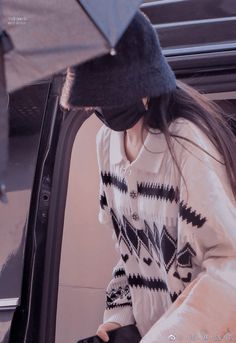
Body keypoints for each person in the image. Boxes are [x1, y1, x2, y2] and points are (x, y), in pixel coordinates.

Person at [60, 11, 236, 343]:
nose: (94, 109)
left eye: (102, 96)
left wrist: (165, 337)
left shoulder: (186, 145)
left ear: (143, 88)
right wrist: (120, 321)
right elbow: (130, 247)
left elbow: (230, 264)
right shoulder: (107, 143)